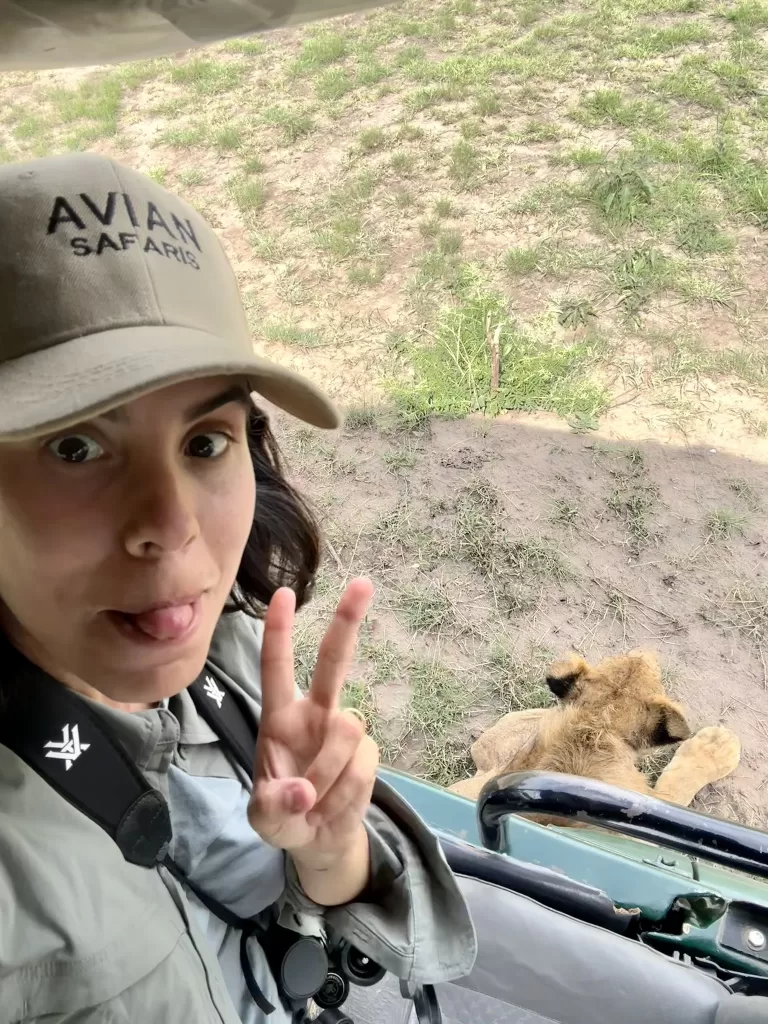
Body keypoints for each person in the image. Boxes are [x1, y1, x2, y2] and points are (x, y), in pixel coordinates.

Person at [0, 153, 476, 1023]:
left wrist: (332, 851)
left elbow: (373, 946)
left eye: (206, 441)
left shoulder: (238, 660)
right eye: (75, 446)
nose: (171, 524)